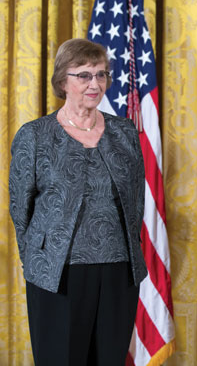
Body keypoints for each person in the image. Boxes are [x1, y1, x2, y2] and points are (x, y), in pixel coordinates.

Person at [9, 38, 147, 365]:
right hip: (58, 274)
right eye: (83, 75)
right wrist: (37, 259)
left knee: (109, 359)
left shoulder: (124, 132)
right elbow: (20, 209)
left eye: (101, 75)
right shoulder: (35, 135)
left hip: (118, 270)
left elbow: (135, 202)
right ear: (62, 82)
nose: (94, 84)